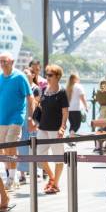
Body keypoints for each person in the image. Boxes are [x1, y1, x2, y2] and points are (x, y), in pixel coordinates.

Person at [0, 53, 35, 209]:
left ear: (12, 62)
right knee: (3, 149)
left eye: (5, 61)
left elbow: (30, 97)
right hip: (2, 119)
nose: (2, 63)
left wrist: (30, 117)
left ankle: (12, 178)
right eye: (0, 61)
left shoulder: (20, 77)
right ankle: (9, 176)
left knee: (10, 145)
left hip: (16, 118)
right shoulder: (0, 78)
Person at [37, 64, 69, 194]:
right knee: (39, 156)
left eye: (50, 75)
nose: (47, 77)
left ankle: (55, 184)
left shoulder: (61, 92)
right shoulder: (44, 89)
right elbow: (41, 107)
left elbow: (65, 112)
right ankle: (52, 177)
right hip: (43, 127)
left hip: (55, 128)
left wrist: (62, 128)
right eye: (47, 74)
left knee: (58, 158)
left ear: (57, 76)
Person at [17, 68, 40, 183]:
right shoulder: (20, 88)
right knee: (21, 147)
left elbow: (37, 105)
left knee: (33, 146)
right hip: (21, 120)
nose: (24, 75)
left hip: (32, 120)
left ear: (33, 75)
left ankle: (33, 170)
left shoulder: (35, 89)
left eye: (26, 73)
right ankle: (22, 174)